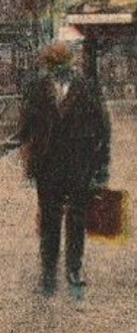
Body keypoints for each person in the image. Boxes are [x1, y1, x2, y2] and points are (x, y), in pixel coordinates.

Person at [19, 42, 111, 294]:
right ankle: (49, 272)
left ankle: (73, 268)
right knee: (50, 219)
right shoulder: (36, 89)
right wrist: (30, 157)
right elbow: (24, 128)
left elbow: (103, 128)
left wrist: (102, 165)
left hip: (80, 163)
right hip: (48, 166)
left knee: (77, 218)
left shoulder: (87, 88)